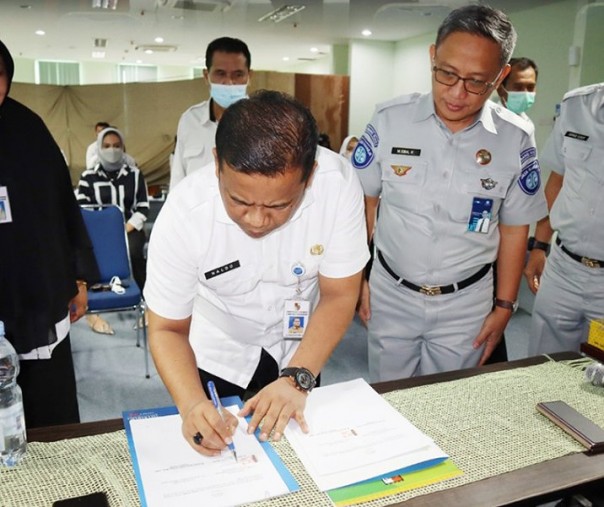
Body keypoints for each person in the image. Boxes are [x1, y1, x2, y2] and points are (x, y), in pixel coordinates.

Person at [145, 90, 368, 455]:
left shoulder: (337, 184)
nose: (257, 220)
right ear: (217, 162)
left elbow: (340, 293)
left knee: (302, 454)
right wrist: (192, 405)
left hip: (301, 346)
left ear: (309, 175)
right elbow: (167, 328)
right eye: (240, 201)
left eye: (280, 205)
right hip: (217, 350)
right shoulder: (185, 213)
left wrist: (298, 378)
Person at [353, 5, 548, 382]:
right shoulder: (390, 120)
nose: (458, 93)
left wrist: (505, 305)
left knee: (450, 404)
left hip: (467, 302)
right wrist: (359, 279)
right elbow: (365, 204)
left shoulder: (515, 138)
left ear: (501, 76)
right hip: (390, 293)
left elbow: (513, 229)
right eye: (447, 74)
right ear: (432, 56)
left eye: (477, 81)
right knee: (387, 398)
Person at [0, 39, 98, 427]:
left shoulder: (28, 130)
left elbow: (62, 208)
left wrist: (77, 277)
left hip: (37, 292)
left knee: (49, 409)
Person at [525, 83, 604, 355]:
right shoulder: (576, 106)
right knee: (544, 362)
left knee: (597, 374)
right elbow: (557, 182)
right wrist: (539, 245)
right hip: (564, 267)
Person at [76, 127, 150, 333]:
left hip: (129, 229)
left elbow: (143, 207)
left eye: (117, 146)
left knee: (135, 252)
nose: (112, 150)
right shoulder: (88, 176)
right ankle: (93, 310)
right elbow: (82, 208)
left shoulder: (134, 175)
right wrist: (105, 229)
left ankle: (146, 302)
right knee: (89, 256)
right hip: (97, 232)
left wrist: (127, 227)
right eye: (107, 146)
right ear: (99, 147)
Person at [170, 37, 252, 189]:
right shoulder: (190, 121)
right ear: (206, 76)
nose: (229, 82)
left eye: (238, 74)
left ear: (249, 76)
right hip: (197, 211)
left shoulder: (264, 123)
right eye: (220, 73)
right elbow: (178, 180)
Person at [496, 57, 538, 122]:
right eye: (518, 87)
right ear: (500, 90)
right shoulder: (489, 120)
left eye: (530, 87)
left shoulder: (527, 123)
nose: (525, 93)